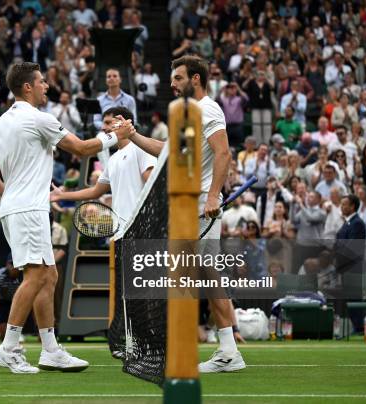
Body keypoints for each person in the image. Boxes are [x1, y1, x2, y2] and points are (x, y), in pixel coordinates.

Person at [0, 62, 134, 374]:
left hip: (18, 206)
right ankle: (8, 347)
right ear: (27, 87)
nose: (46, 87)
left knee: (48, 276)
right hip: (28, 209)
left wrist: (7, 191)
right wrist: (116, 134)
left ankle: (50, 350)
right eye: (41, 82)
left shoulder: (0, 123)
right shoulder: (39, 119)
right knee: (36, 277)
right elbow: (81, 148)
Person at [121, 55, 246, 373]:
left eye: (177, 78)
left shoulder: (208, 109)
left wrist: (214, 195)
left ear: (195, 80)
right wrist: (134, 137)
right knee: (207, 277)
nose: (171, 84)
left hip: (200, 205)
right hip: (189, 205)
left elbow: (223, 152)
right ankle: (228, 352)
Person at [51, 106, 155, 228]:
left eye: (108, 123)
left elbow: (153, 185)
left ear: (123, 123)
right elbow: (95, 191)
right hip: (120, 231)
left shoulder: (142, 148)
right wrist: (61, 195)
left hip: (142, 228)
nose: (103, 127)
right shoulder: (113, 159)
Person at [0, 254, 22, 341]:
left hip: (20, 304)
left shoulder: (25, 275)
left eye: (16, 264)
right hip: (3, 303)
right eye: (12, 264)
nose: (14, 267)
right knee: (4, 334)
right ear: (7, 264)